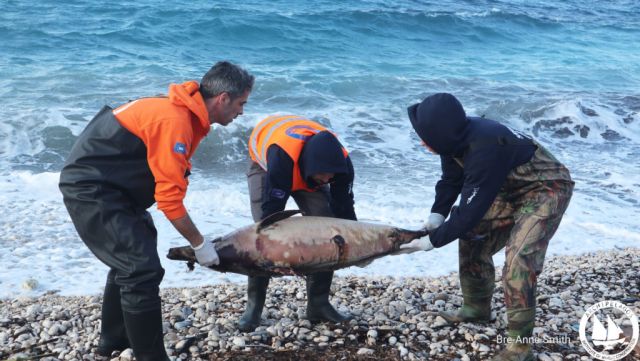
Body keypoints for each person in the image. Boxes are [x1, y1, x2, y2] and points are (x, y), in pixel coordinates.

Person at [59, 61, 254, 360]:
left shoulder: (185, 114)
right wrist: (200, 245)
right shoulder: (175, 120)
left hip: (118, 189)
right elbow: (169, 201)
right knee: (141, 269)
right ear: (223, 98)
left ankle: (113, 340)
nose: (242, 111)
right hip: (92, 188)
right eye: (241, 103)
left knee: (134, 254)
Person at [401, 93, 574, 361]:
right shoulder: (453, 139)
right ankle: (476, 308)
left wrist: (431, 242)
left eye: (426, 137)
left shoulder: (484, 147)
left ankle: (520, 347)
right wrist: (436, 215)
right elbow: (450, 180)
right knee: (473, 236)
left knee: (519, 261)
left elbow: (470, 210)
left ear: (441, 134)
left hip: (546, 189)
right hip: (504, 187)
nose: (423, 142)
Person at [239, 115, 356, 332]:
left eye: (332, 177)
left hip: (306, 166)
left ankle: (318, 304)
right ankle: (254, 306)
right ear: (310, 167)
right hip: (267, 165)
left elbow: (345, 210)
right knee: (265, 234)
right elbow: (272, 214)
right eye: (324, 176)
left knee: (327, 229)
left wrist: (355, 246)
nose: (328, 180)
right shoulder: (282, 157)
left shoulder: (340, 167)